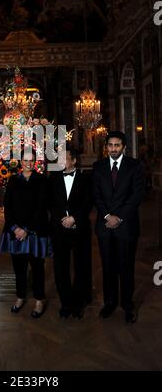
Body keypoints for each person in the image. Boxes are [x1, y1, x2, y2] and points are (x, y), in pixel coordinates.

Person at [93, 131, 145, 323]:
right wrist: (108, 216)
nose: (113, 149)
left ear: (123, 147)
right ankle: (110, 303)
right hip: (105, 225)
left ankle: (127, 305)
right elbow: (96, 195)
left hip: (126, 226)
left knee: (126, 267)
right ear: (106, 146)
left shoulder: (135, 165)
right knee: (108, 267)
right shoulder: (98, 167)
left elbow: (137, 195)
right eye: (110, 145)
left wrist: (119, 217)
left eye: (117, 145)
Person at [0, 149, 51, 318]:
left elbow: (41, 207)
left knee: (37, 268)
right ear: (20, 162)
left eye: (31, 160)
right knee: (19, 268)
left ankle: (38, 299)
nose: (28, 163)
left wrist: (27, 230)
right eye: (25, 160)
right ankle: (20, 297)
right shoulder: (13, 180)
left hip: (34, 232)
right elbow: (8, 207)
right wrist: (15, 228)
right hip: (16, 232)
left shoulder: (42, 180)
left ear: (35, 162)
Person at [48, 147, 93, 319]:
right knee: (60, 267)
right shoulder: (53, 179)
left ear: (73, 160)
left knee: (81, 266)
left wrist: (74, 218)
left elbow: (89, 202)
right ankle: (65, 302)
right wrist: (62, 218)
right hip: (59, 229)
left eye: (64, 158)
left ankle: (78, 302)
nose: (61, 161)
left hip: (80, 228)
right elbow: (50, 202)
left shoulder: (85, 179)